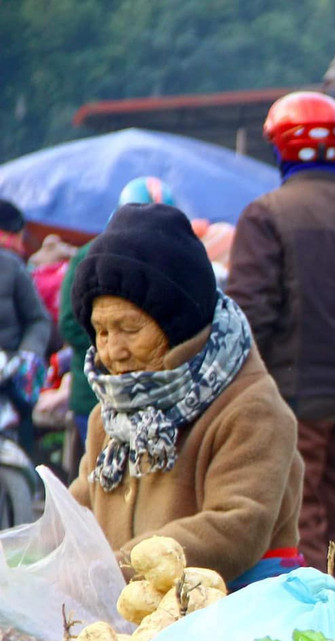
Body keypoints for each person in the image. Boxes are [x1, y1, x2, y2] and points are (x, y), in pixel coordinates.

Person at [69, 203, 305, 590]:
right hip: (131, 619)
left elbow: (236, 526)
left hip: (235, 618)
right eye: (102, 331)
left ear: (178, 324)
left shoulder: (251, 408)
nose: (113, 351)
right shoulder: (108, 418)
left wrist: (117, 570)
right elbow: (79, 514)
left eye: (129, 328)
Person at [226, 90, 335, 583]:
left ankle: (310, 627)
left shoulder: (266, 215)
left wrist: (244, 396)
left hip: (291, 397)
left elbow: (250, 317)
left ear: (279, 147)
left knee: (298, 511)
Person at [60, 177, 179, 445]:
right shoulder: (88, 257)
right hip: (96, 394)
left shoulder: (172, 262)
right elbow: (70, 322)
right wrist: (111, 345)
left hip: (158, 395)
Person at [0, 199, 52, 451]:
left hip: (9, 379)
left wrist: (28, 354)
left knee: (22, 453)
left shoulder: (11, 267)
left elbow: (38, 319)